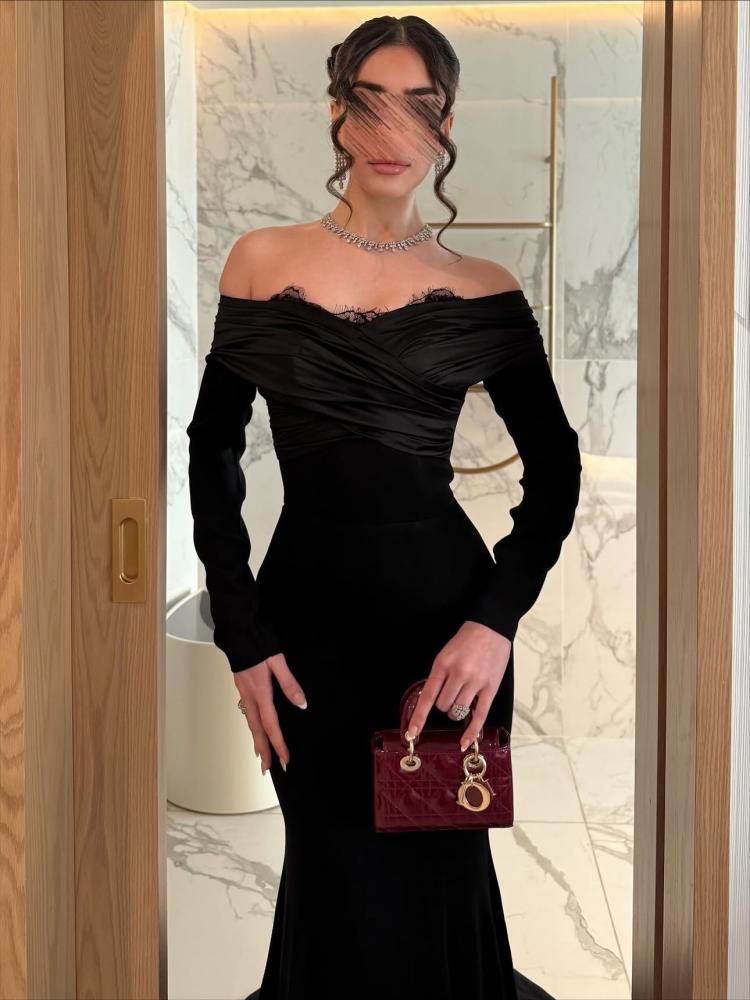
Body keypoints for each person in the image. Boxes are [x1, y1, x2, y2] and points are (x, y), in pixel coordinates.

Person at [186, 14, 581, 1000]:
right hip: (302, 630)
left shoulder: (481, 289)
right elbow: (211, 450)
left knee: (439, 862)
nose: (392, 131)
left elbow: (557, 469)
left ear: (447, 124)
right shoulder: (260, 260)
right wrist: (241, 634)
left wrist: (494, 623)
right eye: (369, 104)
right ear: (336, 114)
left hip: (443, 635)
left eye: (420, 106)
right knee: (332, 868)